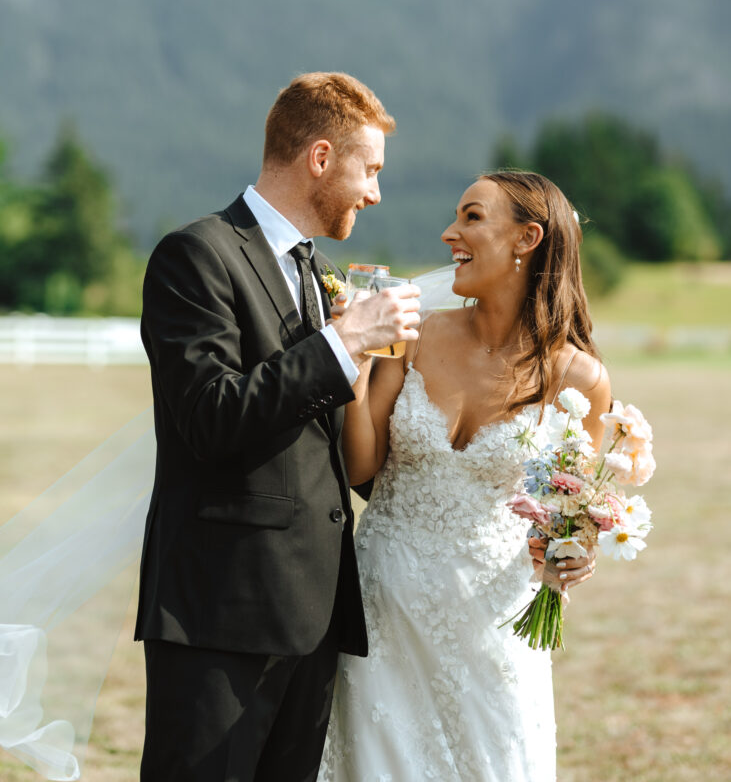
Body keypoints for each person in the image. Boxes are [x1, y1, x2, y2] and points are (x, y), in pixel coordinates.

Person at [135, 71, 421, 782]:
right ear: (320, 158)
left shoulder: (320, 274)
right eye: (371, 169)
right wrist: (343, 343)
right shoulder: (196, 256)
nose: (375, 193)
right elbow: (209, 416)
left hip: (314, 614)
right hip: (220, 611)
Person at [318, 170, 611, 782]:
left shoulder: (579, 380)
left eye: (473, 217)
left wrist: (576, 556)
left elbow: (574, 517)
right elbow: (360, 465)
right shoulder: (419, 336)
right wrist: (358, 366)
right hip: (381, 612)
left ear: (526, 239)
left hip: (494, 631)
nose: (451, 231)